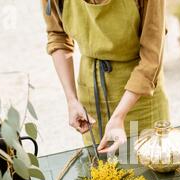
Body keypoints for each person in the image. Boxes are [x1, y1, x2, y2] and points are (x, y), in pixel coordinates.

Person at [42, 0, 170, 154]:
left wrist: (119, 116)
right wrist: (71, 100)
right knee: (103, 173)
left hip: (141, 97)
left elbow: (151, 58)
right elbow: (58, 36)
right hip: (91, 98)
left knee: (149, 168)